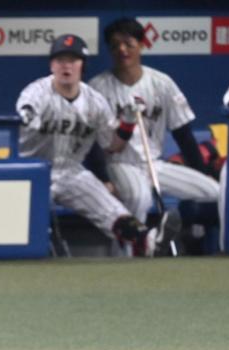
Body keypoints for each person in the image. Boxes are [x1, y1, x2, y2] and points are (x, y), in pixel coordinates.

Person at [17, 34, 178, 256]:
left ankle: (148, 242)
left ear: (82, 65)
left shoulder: (95, 102)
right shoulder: (36, 92)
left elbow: (112, 145)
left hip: (70, 171)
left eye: (72, 60)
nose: (66, 66)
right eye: (60, 60)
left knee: (108, 207)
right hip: (33, 170)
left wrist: (129, 122)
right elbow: (26, 113)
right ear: (51, 65)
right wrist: (28, 116)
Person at [89, 18, 220, 223]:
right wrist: (103, 178)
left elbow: (183, 134)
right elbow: (92, 144)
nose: (122, 50)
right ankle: (128, 252)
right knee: (139, 199)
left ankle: (191, 233)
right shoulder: (97, 88)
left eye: (129, 44)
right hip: (120, 165)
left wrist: (202, 172)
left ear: (141, 45)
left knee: (214, 191)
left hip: (154, 165)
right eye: (115, 46)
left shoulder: (162, 83)